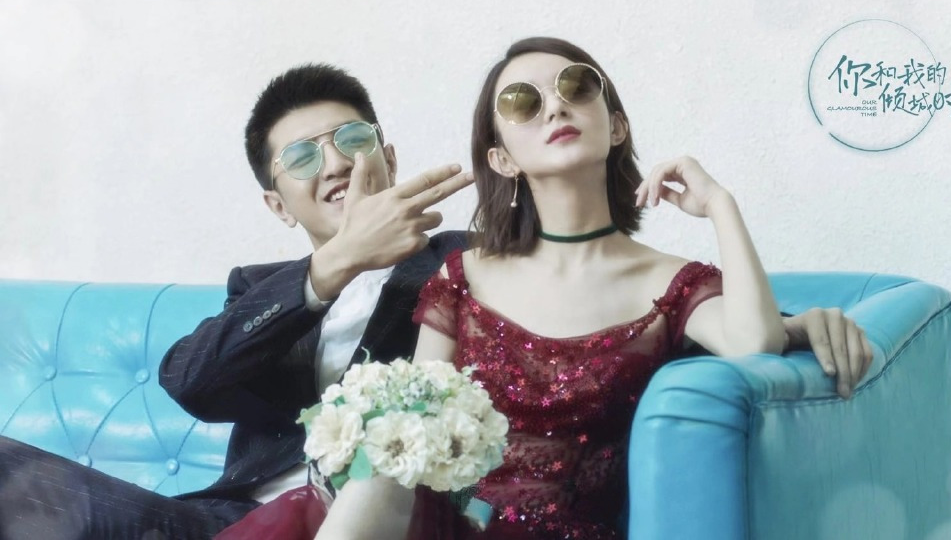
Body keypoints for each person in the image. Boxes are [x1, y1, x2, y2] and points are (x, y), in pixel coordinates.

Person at [0, 60, 868, 539]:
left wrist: (794, 326)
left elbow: (596, 309)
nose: (335, 162)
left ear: (387, 151)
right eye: (302, 157)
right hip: (230, 523)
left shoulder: (469, 266)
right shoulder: (256, 291)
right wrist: (335, 265)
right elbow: (187, 379)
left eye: (351, 137)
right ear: (276, 203)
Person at [311, 37, 876, 540]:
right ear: (501, 158)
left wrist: (721, 206)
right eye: (523, 103)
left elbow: (754, 343)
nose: (556, 107)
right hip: (446, 526)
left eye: (576, 87)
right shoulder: (464, 278)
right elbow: (414, 430)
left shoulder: (670, 283)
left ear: (617, 125)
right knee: (375, 480)